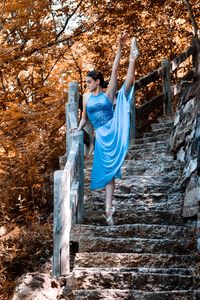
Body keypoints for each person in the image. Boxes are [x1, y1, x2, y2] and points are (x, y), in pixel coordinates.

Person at [72, 32, 139, 225]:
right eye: (86, 83)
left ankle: (133, 57)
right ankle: (109, 211)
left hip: (113, 131)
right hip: (100, 137)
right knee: (108, 173)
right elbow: (84, 118)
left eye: (89, 82)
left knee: (128, 84)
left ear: (97, 82)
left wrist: (119, 46)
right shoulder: (85, 97)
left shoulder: (108, 94)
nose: (87, 84)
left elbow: (114, 69)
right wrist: (77, 128)